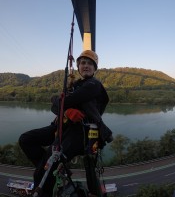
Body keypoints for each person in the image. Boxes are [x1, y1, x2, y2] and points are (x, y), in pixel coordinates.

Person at [19, 50, 113, 197]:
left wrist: (62, 105)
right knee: (26, 139)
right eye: (82, 63)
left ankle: (47, 177)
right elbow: (56, 104)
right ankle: (53, 170)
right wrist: (64, 110)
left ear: (95, 69)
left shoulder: (94, 85)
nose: (86, 66)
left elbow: (62, 101)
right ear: (78, 66)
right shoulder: (75, 85)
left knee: (43, 173)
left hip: (81, 132)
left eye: (90, 64)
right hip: (63, 126)